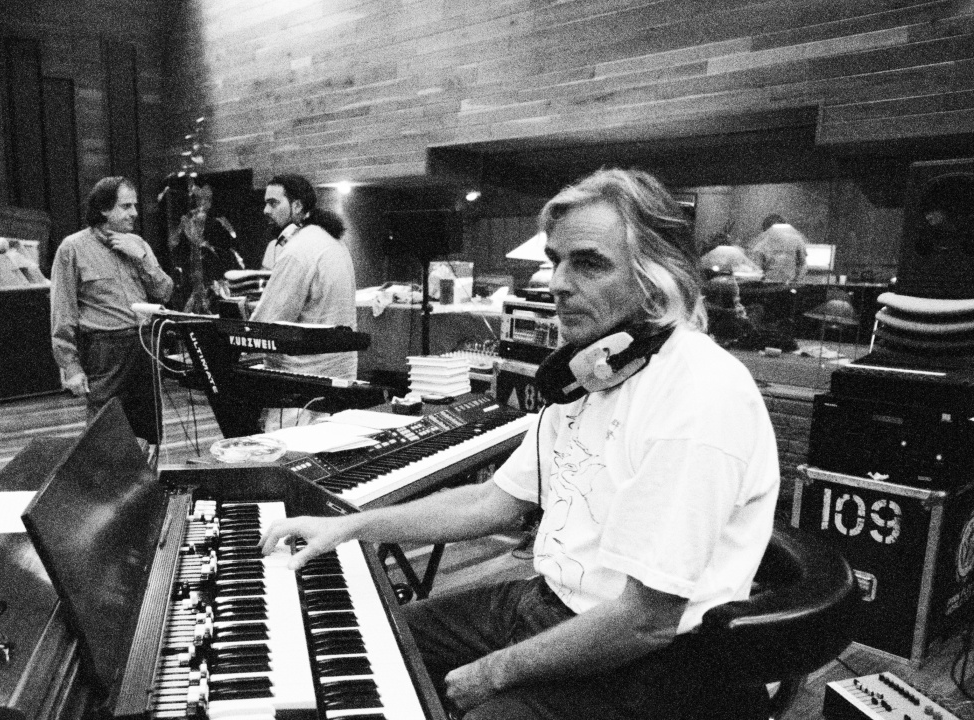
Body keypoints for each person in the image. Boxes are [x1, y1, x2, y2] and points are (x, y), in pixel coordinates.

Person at [261, 168, 779, 720]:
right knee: (365, 638)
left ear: (658, 277)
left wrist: (492, 672)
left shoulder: (697, 394)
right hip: (550, 601)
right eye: (556, 260)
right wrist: (351, 526)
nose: (558, 283)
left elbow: (644, 621)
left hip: (656, 659)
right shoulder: (592, 370)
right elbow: (493, 502)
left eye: (589, 263)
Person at [50, 176, 173, 443]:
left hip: (145, 344)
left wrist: (140, 257)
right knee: (103, 432)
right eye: (126, 206)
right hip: (105, 349)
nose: (135, 213)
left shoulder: (138, 244)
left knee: (149, 431)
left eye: (134, 206)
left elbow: (165, 292)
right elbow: (63, 310)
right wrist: (70, 366)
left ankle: (146, 472)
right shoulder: (72, 248)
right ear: (104, 209)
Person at [251, 174, 358, 381]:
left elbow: (267, 324)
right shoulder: (334, 240)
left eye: (273, 203)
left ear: (297, 206)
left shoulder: (297, 249)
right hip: (340, 374)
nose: (266, 210)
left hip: (301, 379)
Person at [169, 180, 245, 312]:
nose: (202, 203)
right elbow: (173, 247)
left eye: (207, 199)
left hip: (216, 287)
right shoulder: (186, 222)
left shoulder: (220, 225)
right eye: (199, 199)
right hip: (190, 284)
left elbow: (232, 253)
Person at [748, 213, 808, 283]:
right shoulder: (760, 247)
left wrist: (796, 281)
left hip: (791, 284)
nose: (777, 233)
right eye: (773, 230)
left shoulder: (796, 241)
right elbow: (757, 271)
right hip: (770, 285)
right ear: (766, 231)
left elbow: (803, 264)